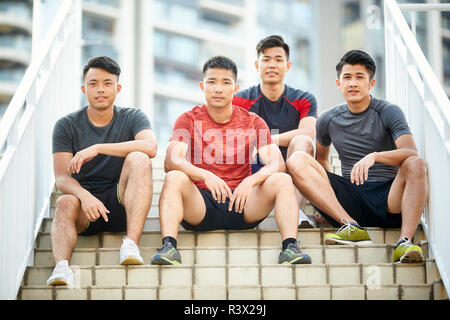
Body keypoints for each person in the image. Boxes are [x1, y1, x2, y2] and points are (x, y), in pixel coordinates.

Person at [150, 56, 311, 265]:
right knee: (174, 177)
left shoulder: (254, 121)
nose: (218, 88)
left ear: (235, 88)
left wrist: (251, 181)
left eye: (226, 83)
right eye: (212, 82)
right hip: (201, 204)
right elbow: (171, 161)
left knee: (282, 180)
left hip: (242, 203)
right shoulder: (187, 118)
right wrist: (205, 175)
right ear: (202, 86)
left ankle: (290, 248)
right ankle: (169, 247)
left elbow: (277, 163)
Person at [286, 50, 428, 263]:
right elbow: (322, 161)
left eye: (359, 77)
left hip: (388, 196)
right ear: (338, 83)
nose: (353, 83)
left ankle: (405, 242)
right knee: (297, 159)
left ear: (371, 83)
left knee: (416, 164)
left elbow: (410, 152)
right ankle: (350, 226)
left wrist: (376, 156)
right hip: (349, 196)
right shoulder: (327, 119)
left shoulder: (388, 111)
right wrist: (325, 203)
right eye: (347, 77)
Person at [47, 56, 157, 286]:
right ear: (83, 88)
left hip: (121, 201)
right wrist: (85, 197)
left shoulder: (132, 117)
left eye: (107, 83)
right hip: (86, 208)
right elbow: (62, 178)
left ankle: (131, 245)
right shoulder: (66, 125)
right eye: (93, 83)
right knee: (65, 201)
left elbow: (151, 147)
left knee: (139, 158)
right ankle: (61, 268)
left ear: (117, 88)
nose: (100, 90)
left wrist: (97, 148)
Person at [232, 35, 319, 228]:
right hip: (257, 166)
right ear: (257, 64)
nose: (272, 65)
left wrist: (267, 139)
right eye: (266, 59)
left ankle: (296, 213)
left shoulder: (303, 99)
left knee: (303, 141)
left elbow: (308, 132)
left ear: (288, 66)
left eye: (278, 59)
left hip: (292, 166)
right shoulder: (240, 100)